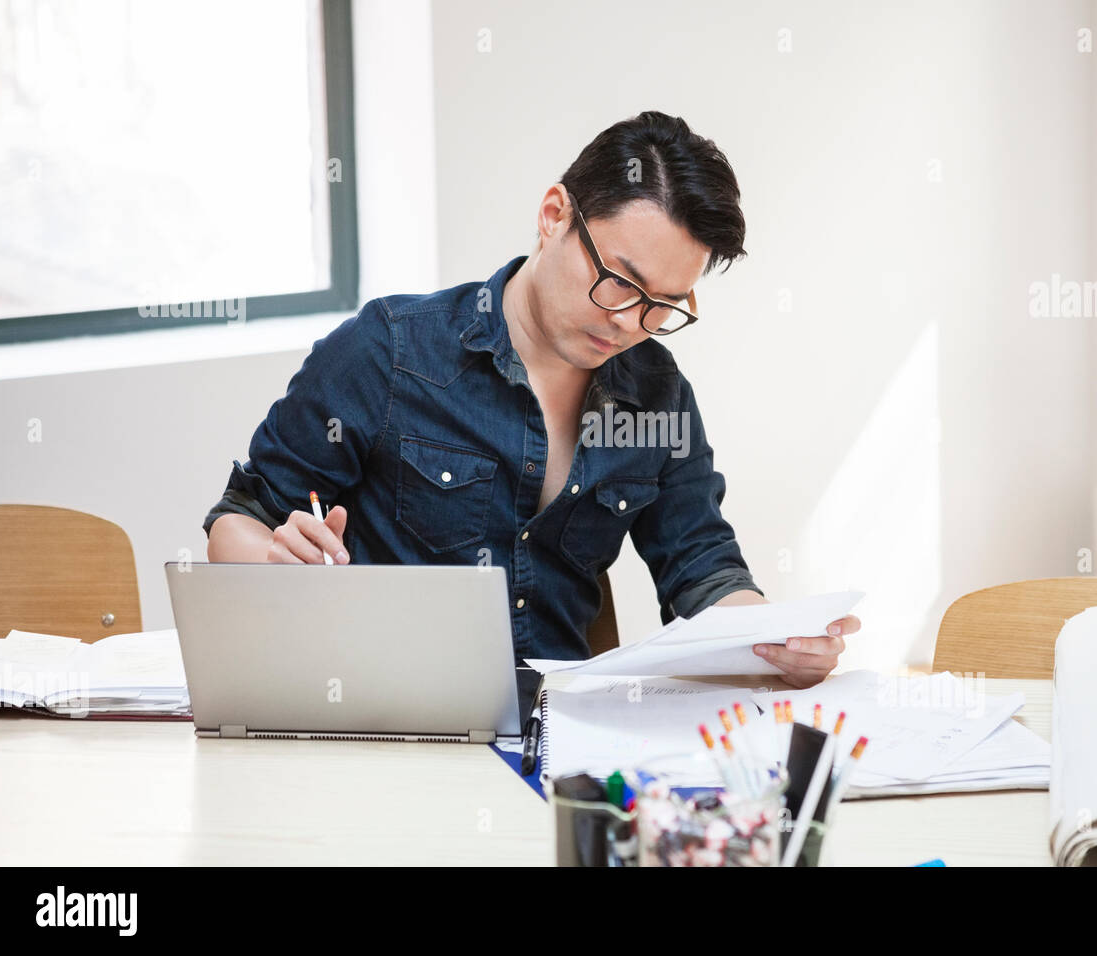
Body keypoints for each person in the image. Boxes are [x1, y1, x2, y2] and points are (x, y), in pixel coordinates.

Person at [203, 110, 858, 688]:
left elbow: (703, 570)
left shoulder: (656, 395)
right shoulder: (392, 351)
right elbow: (239, 518)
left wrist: (775, 642)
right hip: (390, 721)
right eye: (619, 282)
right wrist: (276, 561)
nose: (629, 322)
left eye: (661, 305)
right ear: (554, 216)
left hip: (557, 734)